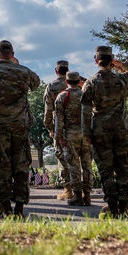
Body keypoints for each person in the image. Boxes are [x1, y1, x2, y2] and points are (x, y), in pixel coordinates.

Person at [0, 39, 41, 217]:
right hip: (20, 128)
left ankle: (5, 208)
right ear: (12, 54)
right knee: (20, 168)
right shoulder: (23, 71)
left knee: (0, 168)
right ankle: (19, 208)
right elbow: (36, 83)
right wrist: (17, 65)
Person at [81, 45, 128, 218]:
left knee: (106, 169)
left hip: (101, 130)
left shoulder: (91, 82)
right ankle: (124, 205)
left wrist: (86, 133)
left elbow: (86, 111)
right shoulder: (123, 79)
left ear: (96, 61)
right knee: (123, 167)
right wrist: (124, 65)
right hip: (122, 129)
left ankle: (111, 206)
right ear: (112, 60)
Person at [54, 71, 92, 206]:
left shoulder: (63, 96)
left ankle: (77, 195)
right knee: (87, 165)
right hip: (85, 135)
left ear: (67, 81)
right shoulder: (85, 95)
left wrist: (58, 137)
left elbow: (59, 119)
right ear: (78, 81)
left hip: (70, 135)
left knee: (73, 165)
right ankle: (87, 195)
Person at [43, 60, 72, 202]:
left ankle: (68, 190)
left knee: (62, 158)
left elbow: (48, 109)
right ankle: (82, 190)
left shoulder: (52, 86)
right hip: (77, 126)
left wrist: (50, 127)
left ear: (56, 71)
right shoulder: (76, 84)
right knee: (77, 159)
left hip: (59, 126)